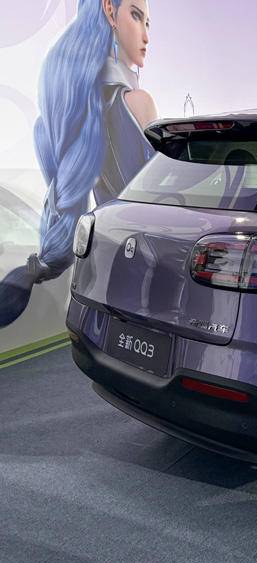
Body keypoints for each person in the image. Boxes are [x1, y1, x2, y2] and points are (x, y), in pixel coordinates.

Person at [0, 0, 157, 328]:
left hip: (100, 278)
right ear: (109, 11)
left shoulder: (83, 114)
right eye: (136, 16)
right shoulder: (137, 104)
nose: (146, 35)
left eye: (148, 23)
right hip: (146, 278)